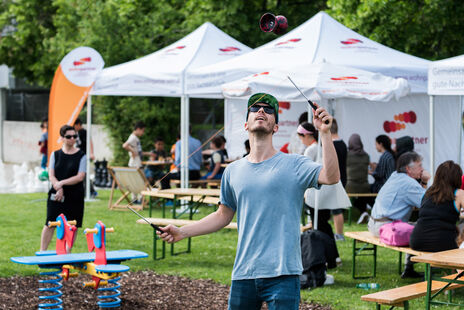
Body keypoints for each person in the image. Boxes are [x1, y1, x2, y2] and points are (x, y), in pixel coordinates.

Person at [158, 92, 340, 309]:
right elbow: (223, 215)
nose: (261, 111)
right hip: (244, 273)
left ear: (275, 127)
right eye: (255, 108)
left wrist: (325, 134)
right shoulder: (232, 171)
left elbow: (331, 176)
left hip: (284, 274)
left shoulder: (295, 164)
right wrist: (182, 231)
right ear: (246, 124)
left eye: (268, 109)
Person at [368, 151, 430, 278]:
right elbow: (429, 204)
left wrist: (422, 183)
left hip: (374, 224)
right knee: (426, 230)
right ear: (408, 169)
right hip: (387, 227)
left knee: (416, 227)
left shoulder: (395, 175)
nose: (422, 169)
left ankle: (409, 269)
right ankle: (430, 270)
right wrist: (427, 180)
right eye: (419, 166)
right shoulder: (409, 183)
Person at [40, 125, 86, 251]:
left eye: (74, 136)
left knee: (72, 225)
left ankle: (66, 253)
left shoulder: (82, 155)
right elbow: (51, 175)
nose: (72, 139)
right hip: (57, 194)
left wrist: (61, 184)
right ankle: (42, 252)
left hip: (75, 195)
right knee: (50, 223)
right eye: (69, 136)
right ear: (62, 138)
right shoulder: (55, 154)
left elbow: (80, 177)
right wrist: (58, 187)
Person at [410, 161, 464, 252]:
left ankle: (409, 264)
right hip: (443, 242)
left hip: (417, 241)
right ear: (457, 178)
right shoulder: (459, 194)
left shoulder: (429, 192)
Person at [345, 134, 370, 223]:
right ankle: (364, 212)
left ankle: (339, 213)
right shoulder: (366, 156)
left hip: (350, 186)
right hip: (365, 186)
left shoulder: (347, 155)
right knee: (360, 196)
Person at [330, 119, 348, 241]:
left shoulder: (333, 144)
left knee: (336, 209)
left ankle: (340, 234)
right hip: (342, 177)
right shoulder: (342, 143)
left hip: (336, 178)